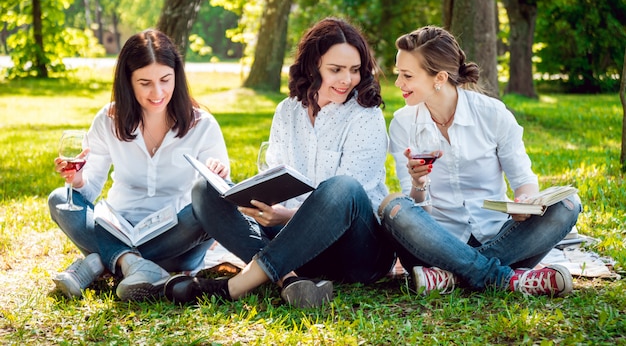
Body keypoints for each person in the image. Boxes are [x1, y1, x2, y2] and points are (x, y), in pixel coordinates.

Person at [163, 17, 396, 307]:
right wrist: (260, 206)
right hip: (297, 247)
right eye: (335, 70)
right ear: (313, 67)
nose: (347, 80)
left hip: (358, 252)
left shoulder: (365, 116)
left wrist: (284, 216)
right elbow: (273, 177)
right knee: (205, 190)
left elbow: (344, 204)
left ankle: (237, 286)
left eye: (354, 70)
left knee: (342, 187)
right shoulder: (287, 111)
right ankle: (290, 279)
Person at [379, 26, 581, 297]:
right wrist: (419, 183)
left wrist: (524, 203)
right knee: (394, 207)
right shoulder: (404, 123)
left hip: (499, 237)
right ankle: (506, 278)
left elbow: (524, 181)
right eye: (398, 74)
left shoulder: (492, 114)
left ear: (439, 77)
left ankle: (451, 276)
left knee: (568, 204)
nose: (398, 83)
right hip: (434, 246)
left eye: (407, 75)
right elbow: (418, 215)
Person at [48, 29, 229, 301]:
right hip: (118, 223)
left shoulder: (202, 125)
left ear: (176, 77)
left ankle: (103, 261)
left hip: (176, 237)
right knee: (61, 198)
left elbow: (222, 196)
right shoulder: (109, 119)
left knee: (205, 209)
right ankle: (134, 266)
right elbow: (89, 190)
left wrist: (217, 175)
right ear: (128, 82)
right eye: (145, 83)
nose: (158, 92)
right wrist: (78, 180)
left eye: (165, 80)